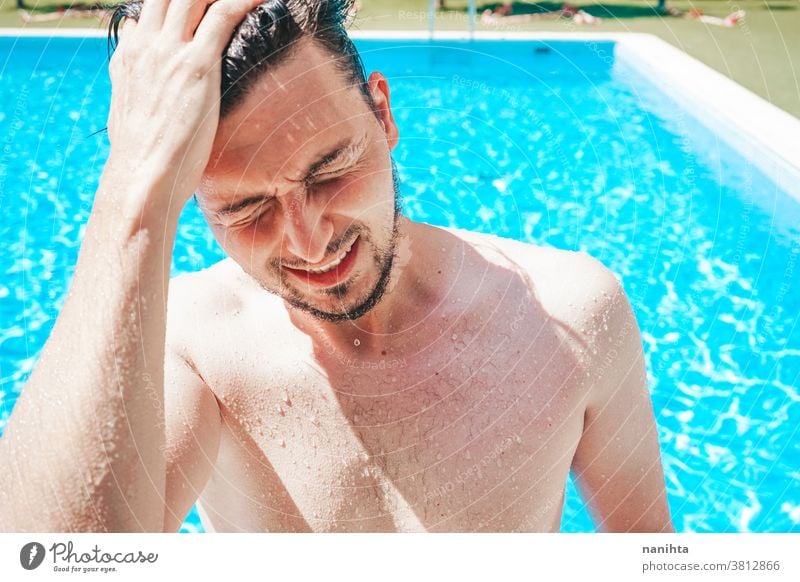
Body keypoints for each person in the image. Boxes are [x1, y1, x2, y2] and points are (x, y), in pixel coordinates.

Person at [0, 0, 673, 533]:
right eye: (246, 206)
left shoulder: (575, 314)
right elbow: (52, 561)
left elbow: (651, 558)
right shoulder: (194, 348)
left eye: (330, 169)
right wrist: (132, 195)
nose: (309, 241)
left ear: (382, 112)